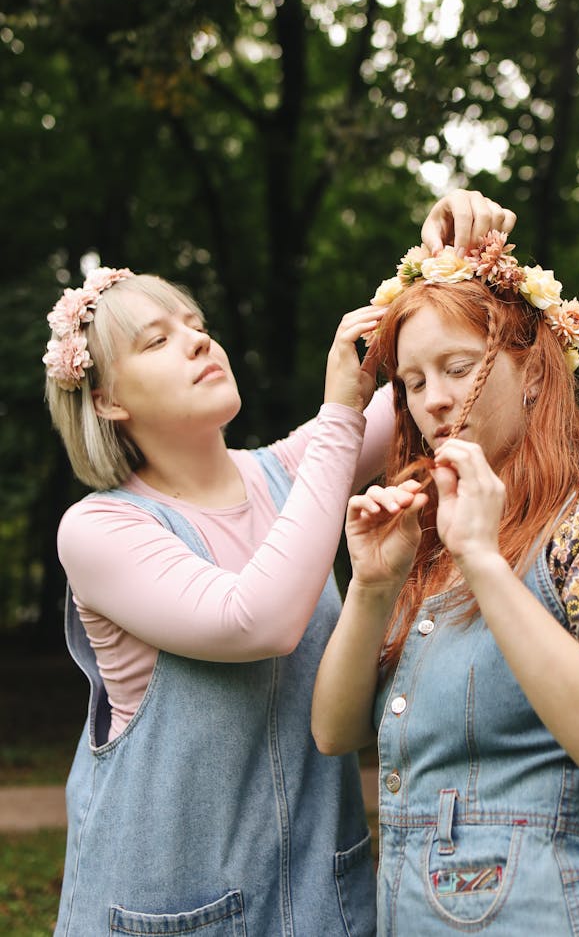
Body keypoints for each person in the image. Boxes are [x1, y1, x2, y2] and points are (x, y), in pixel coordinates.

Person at [42, 191, 514, 937]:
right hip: (163, 916)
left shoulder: (290, 470)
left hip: (324, 902)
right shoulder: (98, 528)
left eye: (198, 326)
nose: (200, 342)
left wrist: (449, 255)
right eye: (158, 340)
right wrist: (337, 414)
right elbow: (256, 618)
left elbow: (445, 380)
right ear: (104, 401)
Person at [311, 231, 579, 936]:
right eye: (414, 380)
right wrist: (372, 585)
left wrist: (486, 562)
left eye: (457, 367)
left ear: (532, 372)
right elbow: (335, 732)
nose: (434, 400)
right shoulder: (423, 533)